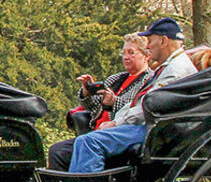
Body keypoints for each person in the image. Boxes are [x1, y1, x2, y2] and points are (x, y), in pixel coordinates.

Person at [67, 17, 197, 173]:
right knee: (82, 141)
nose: (148, 46)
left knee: (89, 142)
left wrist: (116, 124)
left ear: (163, 41)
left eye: (150, 40)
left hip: (156, 132)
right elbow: (142, 102)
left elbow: (148, 106)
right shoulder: (170, 68)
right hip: (155, 128)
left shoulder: (176, 71)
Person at [47, 33, 152, 171]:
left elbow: (136, 109)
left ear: (146, 56)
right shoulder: (116, 79)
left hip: (117, 133)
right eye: (124, 53)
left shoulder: (148, 81)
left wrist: (114, 102)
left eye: (131, 53)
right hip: (94, 131)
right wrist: (87, 92)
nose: (126, 57)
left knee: (81, 145)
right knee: (57, 150)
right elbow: (93, 106)